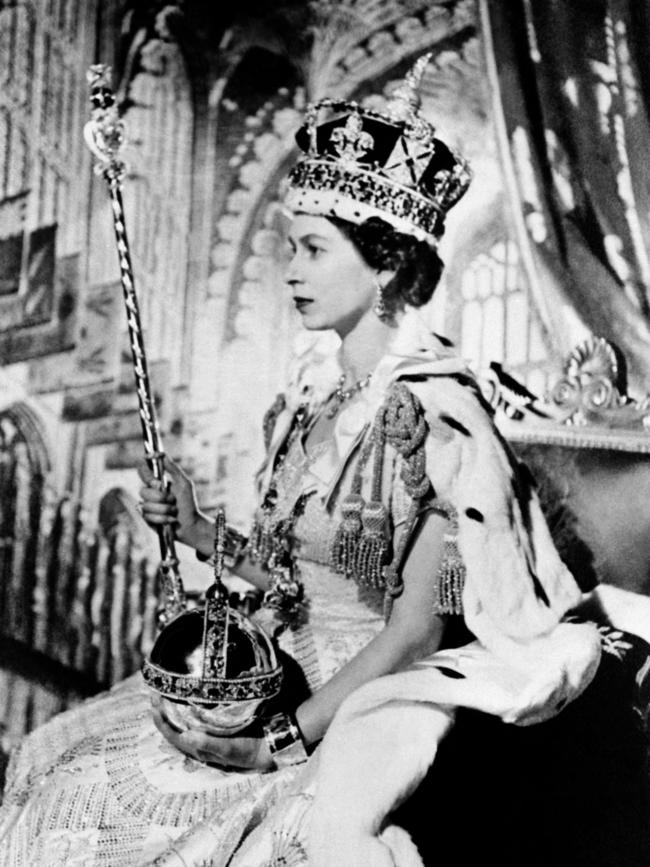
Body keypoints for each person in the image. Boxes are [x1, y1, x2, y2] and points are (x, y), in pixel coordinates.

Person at [0, 58, 608, 866]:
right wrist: (199, 530)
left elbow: (414, 631)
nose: (291, 268)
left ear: (386, 262)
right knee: (47, 758)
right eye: (290, 246)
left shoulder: (441, 419)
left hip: (357, 695)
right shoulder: (312, 403)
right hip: (267, 654)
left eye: (314, 249)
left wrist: (280, 743)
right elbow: (293, 577)